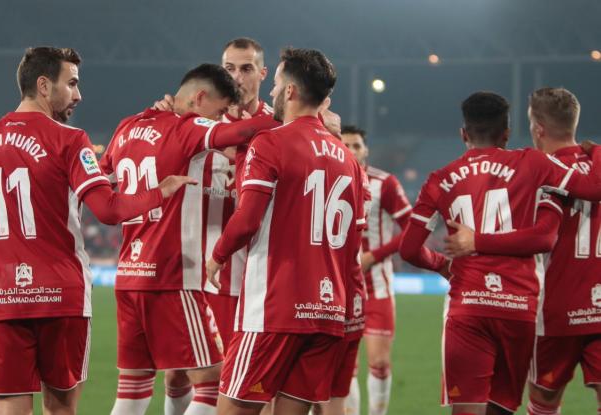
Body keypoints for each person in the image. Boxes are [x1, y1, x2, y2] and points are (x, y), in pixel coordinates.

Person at [0, 46, 192, 415]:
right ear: (44, 86)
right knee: (60, 408)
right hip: (61, 297)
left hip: (3, 298)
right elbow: (109, 210)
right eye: (72, 83)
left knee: (11, 408)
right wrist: (162, 190)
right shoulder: (69, 140)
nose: (78, 94)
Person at [399, 91, 601, 415]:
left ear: (463, 133)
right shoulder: (533, 164)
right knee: (502, 408)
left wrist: (442, 265)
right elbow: (587, 196)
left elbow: (408, 249)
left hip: (468, 307)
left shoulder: (439, 179)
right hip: (517, 307)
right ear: (506, 133)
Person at [99, 63, 280, 415]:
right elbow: (247, 131)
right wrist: (297, 116)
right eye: (219, 111)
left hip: (129, 275)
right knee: (214, 379)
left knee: (133, 387)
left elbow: (103, 180)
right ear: (199, 99)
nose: (221, 118)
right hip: (171, 276)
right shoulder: (187, 127)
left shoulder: (126, 127)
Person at [205, 47, 366, 415]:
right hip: (327, 314)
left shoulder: (271, 143)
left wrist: (216, 258)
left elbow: (247, 219)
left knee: (232, 408)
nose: (273, 93)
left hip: (275, 310)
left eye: (276, 85)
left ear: (291, 91)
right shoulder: (349, 161)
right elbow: (351, 246)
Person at [341, 125, 412, 415]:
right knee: (345, 368)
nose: (351, 151)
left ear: (365, 149)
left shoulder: (385, 183)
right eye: (345, 145)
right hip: (340, 287)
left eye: (356, 145)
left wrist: (374, 256)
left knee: (380, 362)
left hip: (377, 285)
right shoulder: (327, 178)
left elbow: (412, 228)